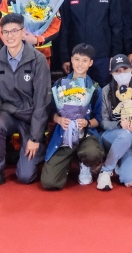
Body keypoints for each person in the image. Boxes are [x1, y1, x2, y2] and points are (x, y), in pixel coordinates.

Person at [0, 14, 53, 191]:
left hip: (30, 117)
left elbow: (42, 102)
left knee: (25, 177)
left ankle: (38, 150)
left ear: (23, 32)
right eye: (5, 32)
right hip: (8, 113)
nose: (9, 36)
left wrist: (35, 138)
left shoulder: (38, 60)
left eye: (14, 31)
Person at [40, 44, 104, 190]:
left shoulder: (95, 88)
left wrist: (87, 123)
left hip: (85, 135)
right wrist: (59, 120)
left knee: (92, 153)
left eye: (84, 60)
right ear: (71, 60)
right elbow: (51, 112)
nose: (80, 64)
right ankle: (67, 162)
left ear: (90, 63)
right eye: (77, 59)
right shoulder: (59, 84)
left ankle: (84, 163)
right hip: (64, 136)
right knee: (49, 182)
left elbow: (98, 119)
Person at [58, 0, 124, 85]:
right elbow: (64, 28)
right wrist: (65, 57)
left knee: (104, 91)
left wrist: (115, 55)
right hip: (77, 57)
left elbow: (117, 26)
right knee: (77, 92)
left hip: (103, 56)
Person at [95, 53, 132, 189]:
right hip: (111, 136)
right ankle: (106, 171)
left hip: (131, 138)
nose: (122, 74)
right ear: (111, 73)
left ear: (131, 69)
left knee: (130, 179)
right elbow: (103, 122)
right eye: (117, 71)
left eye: (125, 69)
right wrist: (119, 124)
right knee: (125, 134)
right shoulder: (106, 91)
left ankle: (117, 159)